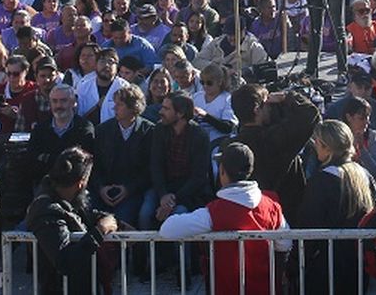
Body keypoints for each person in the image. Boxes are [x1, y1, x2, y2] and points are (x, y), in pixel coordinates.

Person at [159, 142, 290, 295]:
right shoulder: (272, 206)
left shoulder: (213, 212)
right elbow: (285, 244)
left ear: (222, 171)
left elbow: (167, 230)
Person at [295, 119, 376, 295]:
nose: (315, 146)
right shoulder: (365, 176)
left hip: (327, 268)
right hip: (359, 264)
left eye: (317, 142)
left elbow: (309, 227)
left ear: (327, 147)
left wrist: (296, 265)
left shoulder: (321, 181)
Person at [24, 147, 120, 295]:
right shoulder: (46, 210)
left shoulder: (70, 199)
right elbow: (65, 261)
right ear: (81, 183)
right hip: (60, 288)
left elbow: (86, 215)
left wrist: (110, 221)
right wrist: (99, 232)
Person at [231, 84, 320, 214]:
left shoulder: (232, 146)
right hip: (284, 210)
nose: (270, 109)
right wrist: (287, 97)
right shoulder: (275, 139)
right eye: (267, 105)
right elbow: (310, 114)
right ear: (257, 110)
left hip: (248, 212)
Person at [90, 84, 156, 232]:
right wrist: (101, 188)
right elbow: (95, 165)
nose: (115, 108)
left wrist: (128, 189)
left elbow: (151, 169)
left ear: (133, 107)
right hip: (105, 190)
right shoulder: (103, 131)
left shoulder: (149, 132)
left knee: (124, 217)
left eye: (120, 105)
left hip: (133, 192)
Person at [150, 93, 213, 225]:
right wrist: (163, 194)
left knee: (179, 216)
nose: (161, 112)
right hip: (163, 189)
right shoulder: (159, 130)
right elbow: (156, 165)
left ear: (180, 114)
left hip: (189, 193)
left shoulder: (199, 136)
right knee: (145, 213)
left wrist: (174, 199)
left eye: (166, 109)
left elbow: (199, 176)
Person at [28, 82, 97, 174]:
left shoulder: (84, 128)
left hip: (74, 183)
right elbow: (32, 160)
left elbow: (83, 162)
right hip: (46, 183)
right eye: (54, 101)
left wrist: (46, 157)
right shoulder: (40, 129)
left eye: (63, 101)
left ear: (74, 102)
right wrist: (66, 158)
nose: (58, 105)